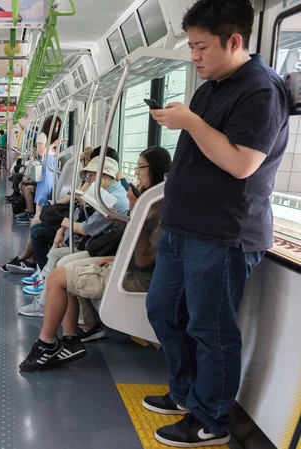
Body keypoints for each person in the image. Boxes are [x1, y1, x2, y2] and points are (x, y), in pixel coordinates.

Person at [143, 1, 289, 447]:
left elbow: (241, 163)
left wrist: (188, 120)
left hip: (224, 233)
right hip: (183, 226)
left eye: (201, 47)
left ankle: (212, 419)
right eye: (191, 46)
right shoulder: (212, 86)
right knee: (162, 309)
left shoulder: (261, 90)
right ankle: (187, 393)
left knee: (211, 326)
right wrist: (184, 121)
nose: (195, 56)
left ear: (235, 41)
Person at [19, 147, 172, 372]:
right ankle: (70, 339)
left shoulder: (154, 206)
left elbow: (142, 258)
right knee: (62, 269)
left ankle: (47, 342)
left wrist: (134, 210)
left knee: (58, 277)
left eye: (140, 168)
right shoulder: (150, 199)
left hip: (135, 276)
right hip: (123, 264)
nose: (136, 174)